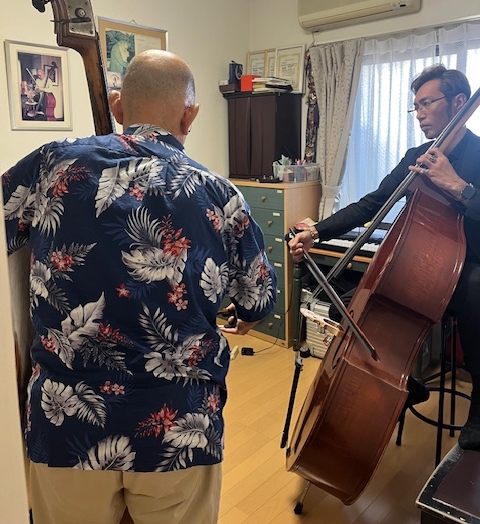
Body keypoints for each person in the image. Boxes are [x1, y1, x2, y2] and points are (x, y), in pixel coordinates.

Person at [2, 49, 277, 524]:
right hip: (178, 426)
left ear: (118, 107)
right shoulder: (220, 194)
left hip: (65, 421)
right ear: (190, 116)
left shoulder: (51, 164)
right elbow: (258, 299)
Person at [288, 64, 480, 450]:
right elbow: (372, 204)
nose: (419, 114)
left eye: (427, 103)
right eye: (416, 106)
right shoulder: (417, 156)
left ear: (459, 102)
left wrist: (459, 186)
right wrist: (316, 232)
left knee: (477, 290)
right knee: (356, 295)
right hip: (426, 265)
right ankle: (402, 381)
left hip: (471, 264)